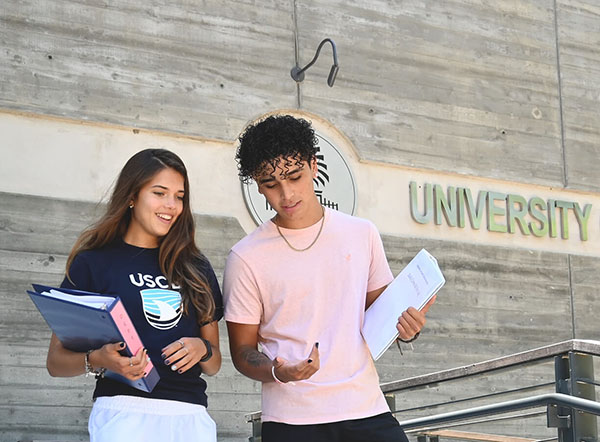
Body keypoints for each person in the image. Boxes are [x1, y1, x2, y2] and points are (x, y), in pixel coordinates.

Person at [223, 114, 435, 442]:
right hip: (291, 421)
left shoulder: (361, 233)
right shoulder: (246, 257)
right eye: (270, 184)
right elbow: (243, 352)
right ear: (257, 182)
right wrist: (278, 371)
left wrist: (408, 329)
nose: (286, 194)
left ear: (314, 165)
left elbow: (382, 317)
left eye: (295, 177)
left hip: (366, 409)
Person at [46, 148, 223, 442]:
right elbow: (56, 362)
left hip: (189, 416)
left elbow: (214, 363)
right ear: (132, 196)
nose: (171, 205)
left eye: (179, 196)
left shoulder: (196, 267)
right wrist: (100, 359)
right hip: (122, 413)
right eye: (159, 193)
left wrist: (200, 348)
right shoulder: (93, 262)